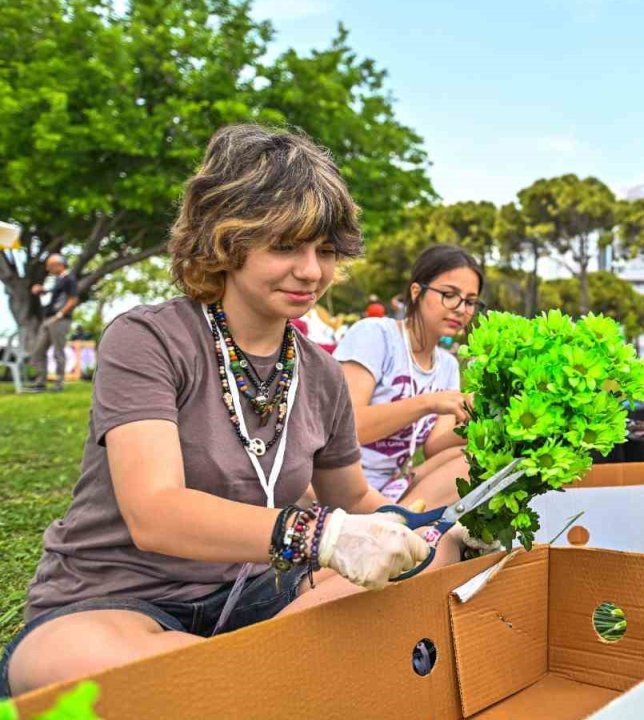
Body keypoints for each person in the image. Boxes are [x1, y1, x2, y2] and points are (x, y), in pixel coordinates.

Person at [0, 124, 463, 698]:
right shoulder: (149, 338)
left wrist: (427, 527)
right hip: (114, 599)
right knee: (195, 681)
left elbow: (353, 499)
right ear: (226, 240)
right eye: (286, 245)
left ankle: (268, 672)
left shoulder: (319, 374)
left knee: (437, 564)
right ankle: (263, 675)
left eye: (324, 250)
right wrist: (320, 536)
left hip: (264, 595)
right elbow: (156, 512)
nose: (312, 271)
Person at [334, 245, 481, 503]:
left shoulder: (446, 365)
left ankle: (407, 523)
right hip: (341, 485)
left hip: (393, 485)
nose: (460, 308)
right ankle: (412, 527)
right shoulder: (376, 335)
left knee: (475, 458)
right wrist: (429, 403)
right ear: (416, 292)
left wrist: (483, 419)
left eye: (469, 301)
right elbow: (347, 427)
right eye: (449, 294)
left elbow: (434, 446)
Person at [25, 254, 79, 392]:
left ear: (59, 265)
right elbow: (56, 297)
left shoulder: (69, 279)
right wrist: (42, 290)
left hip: (60, 320)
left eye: (50, 266)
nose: (47, 269)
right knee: (38, 350)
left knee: (58, 352)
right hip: (48, 319)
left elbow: (73, 300)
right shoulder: (58, 281)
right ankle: (40, 382)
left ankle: (58, 384)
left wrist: (59, 315)